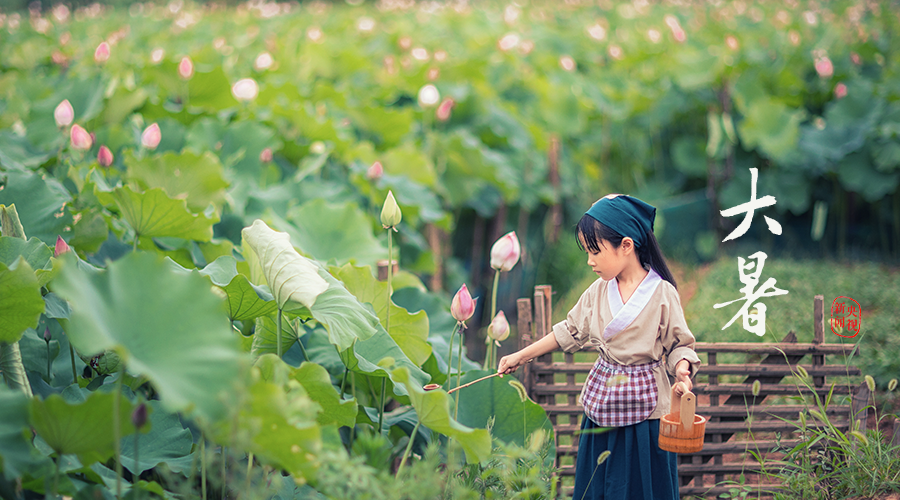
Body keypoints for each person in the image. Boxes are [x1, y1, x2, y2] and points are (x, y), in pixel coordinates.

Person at [497, 194, 700, 500]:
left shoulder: (662, 293)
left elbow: (679, 344)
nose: (590, 261)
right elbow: (569, 331)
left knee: (643, 489)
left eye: (595, 251)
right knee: (599, 487)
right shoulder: (597, 292)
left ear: (627, 246)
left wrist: (682, 369)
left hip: (646, 416)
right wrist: (520, 356)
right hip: (602, 408)